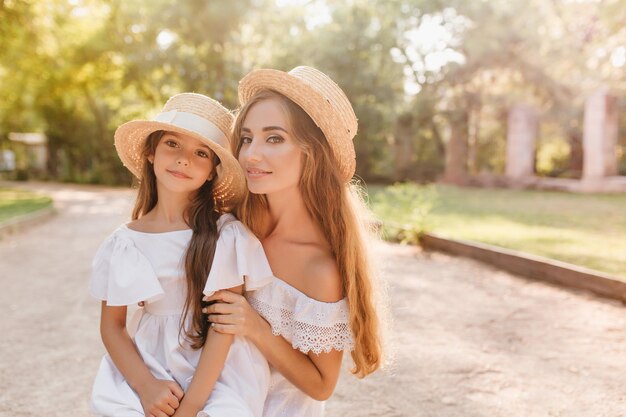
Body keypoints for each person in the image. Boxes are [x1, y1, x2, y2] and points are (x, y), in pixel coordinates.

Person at [203, 66, 383, 417]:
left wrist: (254, 326)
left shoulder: (318, 269)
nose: (251, 154)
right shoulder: (238, 226)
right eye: (247, 138)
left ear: (311, 153)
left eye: (274, 138)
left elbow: (321, 385)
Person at [89, 93, 273, 417]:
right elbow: (112, 327)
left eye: (201, 153)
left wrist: (190, 407)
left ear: (213, 171)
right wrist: (146, 387)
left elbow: (222, 325)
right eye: (173, 144)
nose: (184, 159)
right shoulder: (126, 243)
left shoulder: (224, 235)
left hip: (215, 372)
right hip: (148, 366)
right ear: (150, 152)